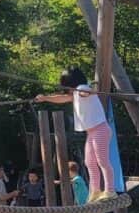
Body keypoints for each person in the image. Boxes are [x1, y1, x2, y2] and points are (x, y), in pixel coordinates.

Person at [36, 67, 116, 200]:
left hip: (100, 129)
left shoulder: (82, 88)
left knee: (103, 161)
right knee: (89, 162)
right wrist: (45, 98)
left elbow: (87, 91)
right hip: (92, 132)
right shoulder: (75, 93)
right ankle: (95, 190)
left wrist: (90, 88)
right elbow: (61, 98)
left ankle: (110, 190)